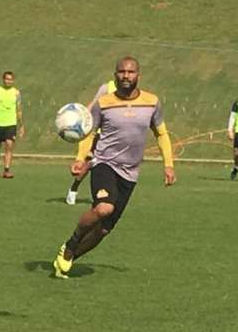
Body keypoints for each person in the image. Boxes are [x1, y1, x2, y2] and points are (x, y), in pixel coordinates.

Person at [53, 57, 176, 279]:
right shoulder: (104, 103)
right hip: (104, 164)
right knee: (104, 208)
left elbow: (162, 134)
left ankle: (68, 259)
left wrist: (168, 165)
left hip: (130, 172)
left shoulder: (152, 102)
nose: (126, 76)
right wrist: (81, 159)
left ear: (138, 75)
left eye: (130, 72)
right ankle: (70, 244)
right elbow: (88, 132)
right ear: (115, 75)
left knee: (103, 230)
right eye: (121, 72)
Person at [65, 78, 116, 205]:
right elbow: (93, 104)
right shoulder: (107, 88)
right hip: (100, 133)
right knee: (89, 164)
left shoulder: (129, 92)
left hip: (115, 136)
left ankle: (107, 193)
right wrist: (82, 117)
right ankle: (74, 189)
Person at [0, 71, 24, 178]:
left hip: (11, 123)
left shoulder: (16, 93)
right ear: (3, 79)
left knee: (9, 145)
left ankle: (7, 170)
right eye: (7, 79)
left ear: (13, 80)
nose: (9, 81)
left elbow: (19, 110)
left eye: (11, 79)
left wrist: (21, 125)